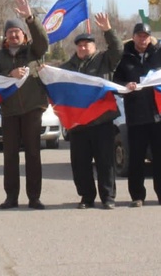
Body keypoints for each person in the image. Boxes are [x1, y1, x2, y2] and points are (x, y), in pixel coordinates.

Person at [112, 6, 161, 208]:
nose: (142, 39)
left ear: (150, 38)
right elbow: (116, 84)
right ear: (133, 38)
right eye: (139, 35)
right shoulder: (124, 59)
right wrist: (125, 87)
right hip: (136, 116)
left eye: (146, 36)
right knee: (136, 159)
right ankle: (137, 196)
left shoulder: (159, 54)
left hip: (160, 115)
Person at [0, 0, 50, 210]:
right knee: (10, 155)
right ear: (5, 37)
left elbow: (44, 41)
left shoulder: (33, 50)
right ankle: (11, 197)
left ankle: (34, 197)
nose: (14, 35)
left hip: (33, 108)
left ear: (23, 35)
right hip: (10, 110)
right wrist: (10, 74)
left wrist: (30, 18)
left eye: (18, 32)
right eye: (10, 32)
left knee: (33, 153)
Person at [59, 13, 123, 209]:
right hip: (78, 124)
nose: (83, 47)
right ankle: (86, 197)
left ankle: (108, 197)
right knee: (81, 164)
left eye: (87, 44)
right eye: (79, 45)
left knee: (106, 163)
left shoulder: (104, 60)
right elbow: (56, 87)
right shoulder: (66, 68)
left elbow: (118, 49)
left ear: (94, 47)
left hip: (102, 122)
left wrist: (107, 30)